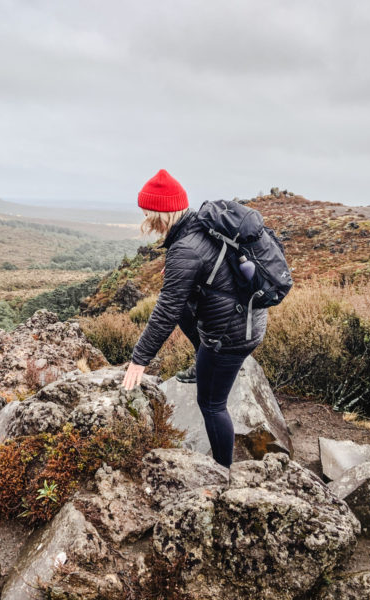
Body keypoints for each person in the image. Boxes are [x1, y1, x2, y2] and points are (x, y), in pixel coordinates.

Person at [122, 169, 268, 469]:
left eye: (149, 214)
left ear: (162, 214)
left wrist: (139, 359)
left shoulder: (185, 249)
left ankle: (223, 471)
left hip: (232, 334)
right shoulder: (200, 224)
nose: (147, 221)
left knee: (212, 405)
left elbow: (166, 311)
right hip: (248, 316)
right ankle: (202, 359)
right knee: (186, 307)